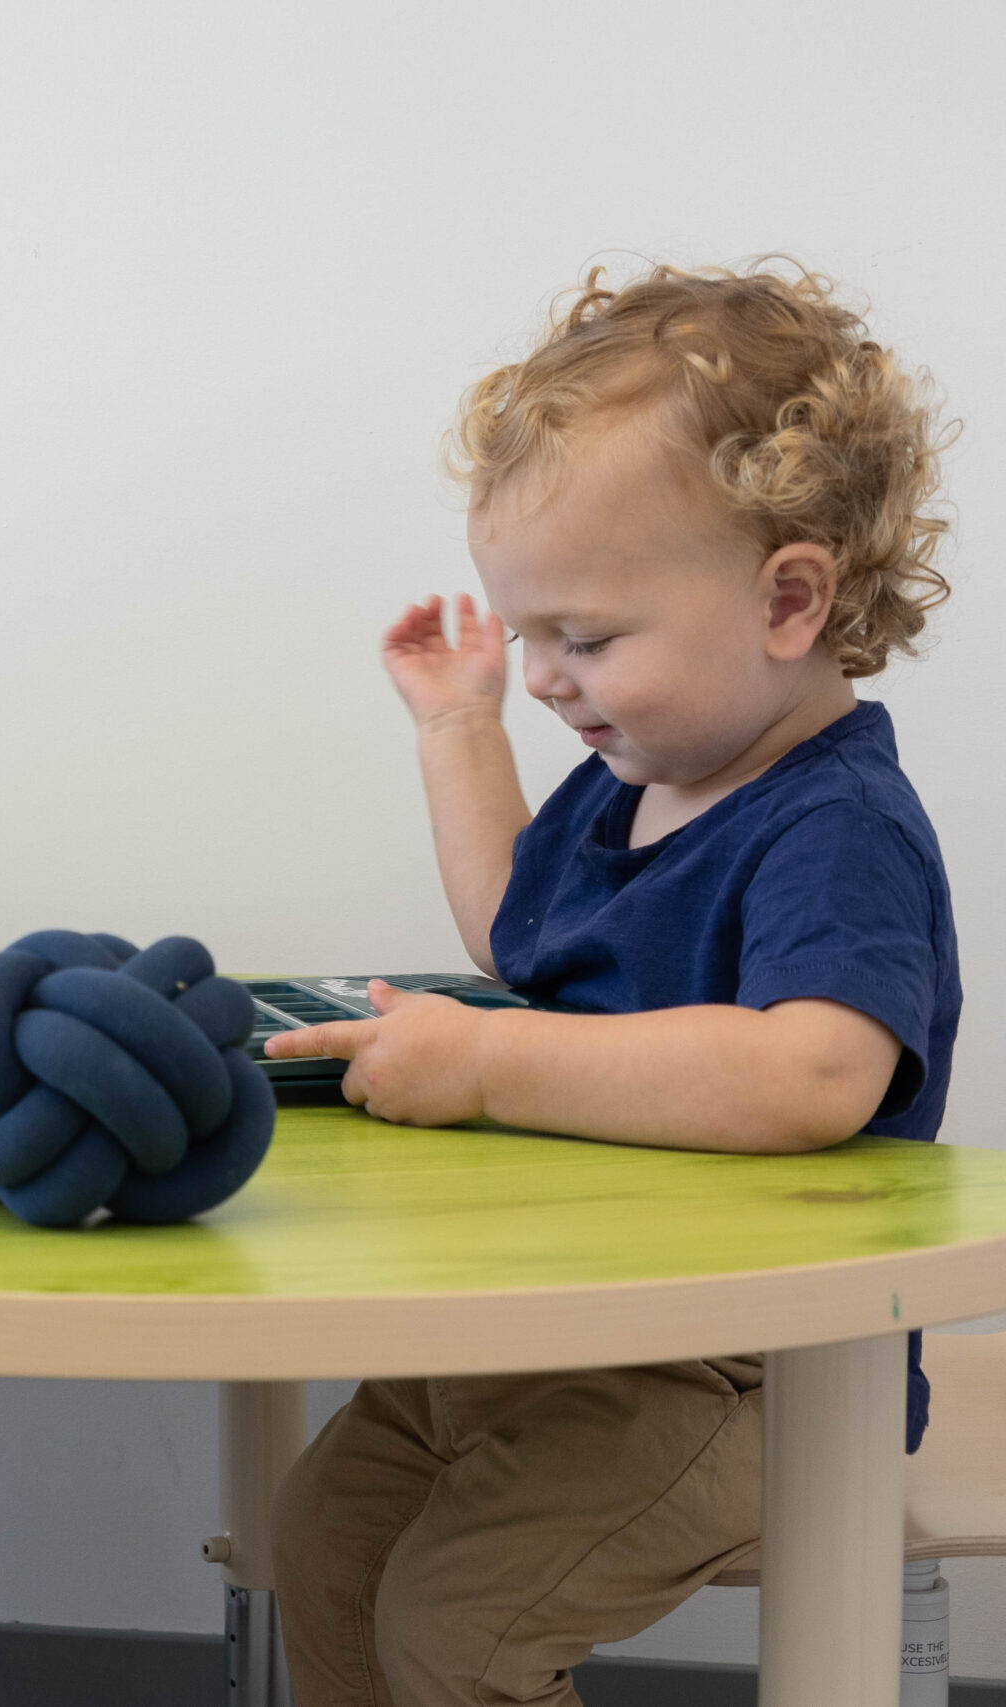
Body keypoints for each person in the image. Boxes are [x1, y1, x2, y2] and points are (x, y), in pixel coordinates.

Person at [261, 262, 960, 1706]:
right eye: (528, 642)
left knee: (459, 1633)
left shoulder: (835, 828)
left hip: (745, 1377)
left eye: (583, 640)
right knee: (321, 1546)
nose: (547, 682)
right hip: (564, 1323)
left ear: (789, 598)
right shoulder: (628, 782)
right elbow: (520, 940)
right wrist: (459, 733)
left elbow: (816, 1074)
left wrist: (497, 1069)